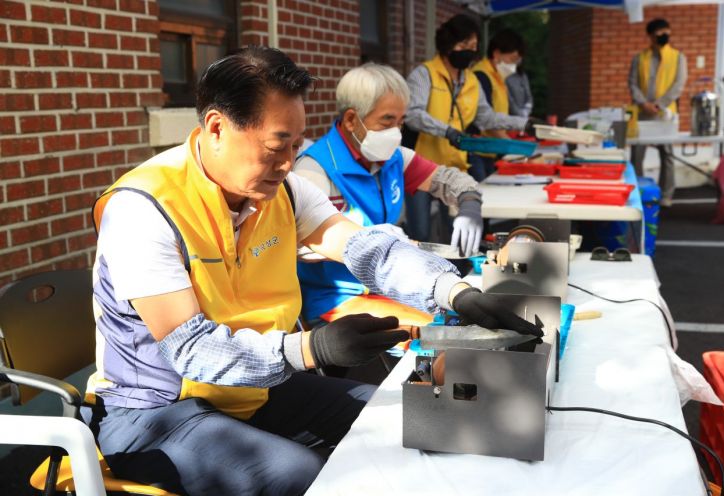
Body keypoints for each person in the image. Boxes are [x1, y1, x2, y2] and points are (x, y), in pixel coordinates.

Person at [80, 46, 543, 496]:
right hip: (153, 411)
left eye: (296, 145)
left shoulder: (283, 190)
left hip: (249, 389)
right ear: (217, 128)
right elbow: (192, 350)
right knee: (305, 474)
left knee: (406, 417)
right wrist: (312, 347)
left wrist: (453, 291)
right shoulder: (142, 210)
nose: (287, 164)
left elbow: (368, 251)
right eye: (276, 146)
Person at [294, 63, 483, 328]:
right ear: (351, 120)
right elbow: (298, 244)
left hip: (391, 284)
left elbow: (450, 180)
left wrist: (469, 204)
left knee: (456, 318)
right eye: (386, 120)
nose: (396, 132)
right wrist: (364, 237)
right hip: (339, 297)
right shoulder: (314, 170)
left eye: (401, 121)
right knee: (443, 332)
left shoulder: (393, 158)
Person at [403, 14, 533, 243]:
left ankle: (455, 274)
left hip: (455, 167)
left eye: (473, 47)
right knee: (419, 234)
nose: (469, 51)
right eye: (464, 45)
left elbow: (486, 117)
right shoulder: (424, 74)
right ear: (447, 44)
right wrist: (447, 131)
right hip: (420, 166)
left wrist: (523, 124)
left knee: (455, 232)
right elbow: (413, 114)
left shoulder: (471, 80)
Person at [628, 17, 687, 207]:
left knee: (667, 154)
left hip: (665, 113)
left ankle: (666, 194)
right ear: (651, 36)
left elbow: (678, 84)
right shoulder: (640, 58)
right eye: (660, 33)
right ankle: (638, 189)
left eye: (667, 32)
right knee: (637, 152)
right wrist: (644, 103)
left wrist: (660, 104)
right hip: (643, 112)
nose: (664, 36)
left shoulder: (678, 57)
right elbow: (633, 83)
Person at [473, 29, 531, 118]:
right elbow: (485, 119)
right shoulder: (481, 76)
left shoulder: (499, 77)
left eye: (517, 61)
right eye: (512, 59)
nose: (514, 66)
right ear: (496, 54)